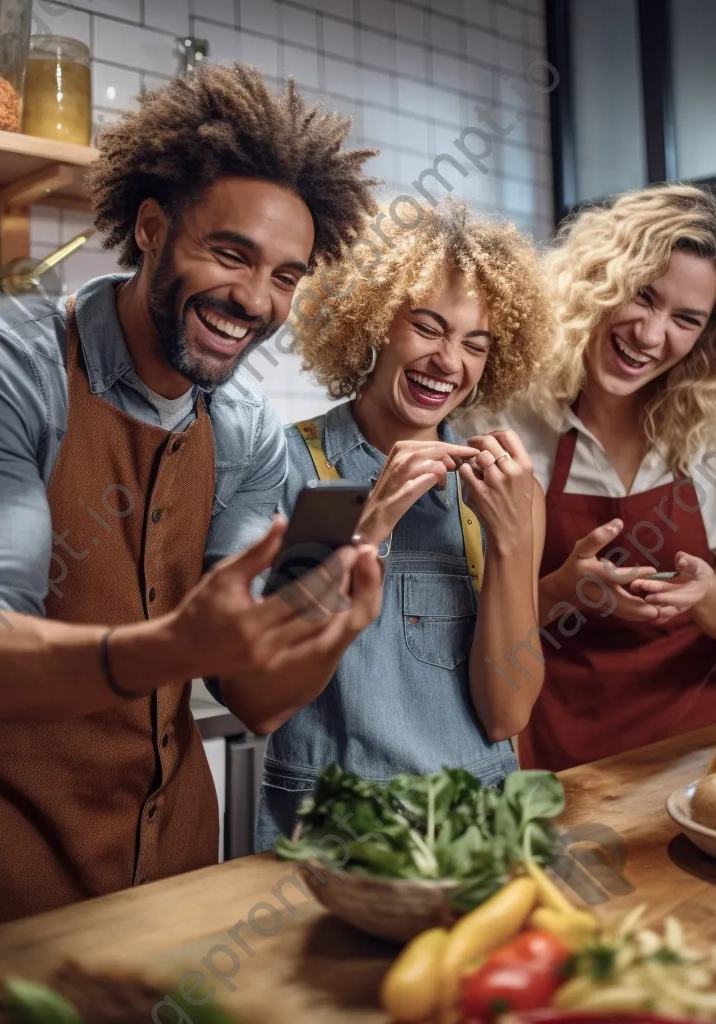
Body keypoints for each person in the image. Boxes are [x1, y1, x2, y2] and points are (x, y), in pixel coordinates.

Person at [0, 65, 385, 945]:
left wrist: (338, 620)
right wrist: (164, 648)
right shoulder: (7, 372)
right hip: (8, 896)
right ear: (153, 228)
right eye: (232, 254)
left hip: (177, 888)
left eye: (286, 275)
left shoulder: (244, 431)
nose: (255, 301)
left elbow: (258, 700)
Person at [247, 200, 556, 852]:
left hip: (474, 833)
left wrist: (509, 541)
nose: (450, 362)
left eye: (476, 343)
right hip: (328, 833)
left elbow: (507, 713)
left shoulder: (507, 488)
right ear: (375, 320)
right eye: (428, 328)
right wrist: (367, 529)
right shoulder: (283, 463)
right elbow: (260, 702)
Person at [473, 184, 716, 772]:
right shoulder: (504, 416)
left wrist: (707, 595)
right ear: (597, 282)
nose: (650, 335)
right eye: (642, 295)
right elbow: (466, 628)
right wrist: (562, 591)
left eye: (686, 319)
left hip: (702, 759)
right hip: (550, 762)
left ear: (709, 335)